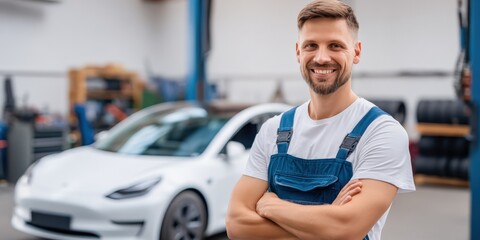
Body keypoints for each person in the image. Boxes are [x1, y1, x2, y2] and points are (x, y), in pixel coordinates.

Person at [225, 0, 416, 239]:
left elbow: (345, 229)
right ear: (298, 52)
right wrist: (325, 223)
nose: (322, 57)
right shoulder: (273, 130)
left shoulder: (382, 132)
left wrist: (271, 206)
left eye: (335, 45)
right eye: (311, 45)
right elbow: (236, 224)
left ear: (356, 52)